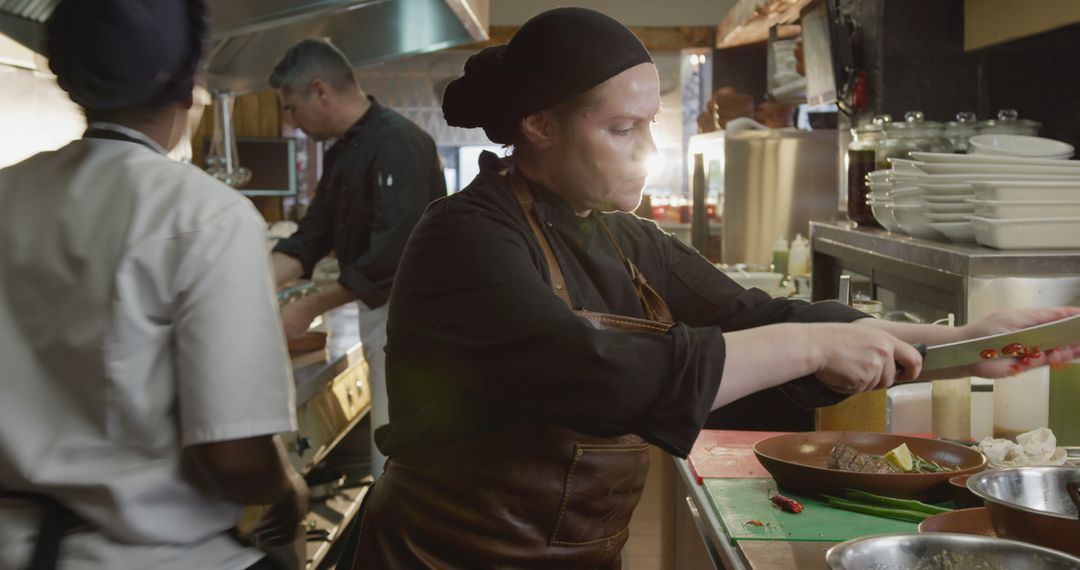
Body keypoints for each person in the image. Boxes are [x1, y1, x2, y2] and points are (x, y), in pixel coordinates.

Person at [341, 7, 1080, 568]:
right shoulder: (464, 237)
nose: (647, 150)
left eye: (648, 125)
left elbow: (758, 316)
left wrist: (963, 345)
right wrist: (808, 343)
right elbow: (595, 373)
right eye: (622, 129)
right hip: (439, 557)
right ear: (538, 126)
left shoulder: (625, 238)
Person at [0, 1, 307, 569]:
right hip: (154, 556)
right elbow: (232, 454)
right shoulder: (207, 215)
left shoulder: (8, 191)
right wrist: (285, 487)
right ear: (190, 88)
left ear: (71, 79)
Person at [268, 38, 447, 478]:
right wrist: (249, 287)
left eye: (291, 108)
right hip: (379, 318)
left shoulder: (400, 144)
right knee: (386, 452)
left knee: (399, 459)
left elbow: (390, 257)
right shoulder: (342, 152)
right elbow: (311, 236)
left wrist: (305, 308)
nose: (291, 121)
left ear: (321, 91)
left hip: (413, 326)